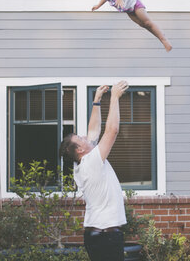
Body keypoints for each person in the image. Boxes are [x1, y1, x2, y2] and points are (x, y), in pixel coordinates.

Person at [59, 81, 129, 261]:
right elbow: (111, 131)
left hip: (96, 235)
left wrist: (97, 101)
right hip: (106, 236)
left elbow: (93, 131)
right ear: (80, 150)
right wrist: (114, 97)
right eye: (80, 138)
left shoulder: (81, 163)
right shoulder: (92, 161)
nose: (84, 137)